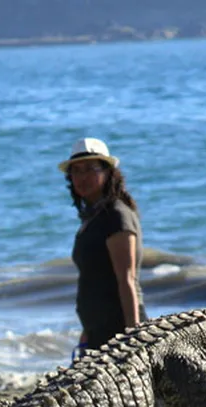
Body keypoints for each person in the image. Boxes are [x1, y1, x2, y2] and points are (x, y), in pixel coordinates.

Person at [60, 137, 148, 354]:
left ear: (108, 172)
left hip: (118, 329)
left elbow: (126, 279)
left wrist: (133, 336)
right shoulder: (93, 217)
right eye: (76, 171)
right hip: (97, 330)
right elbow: (94, 281)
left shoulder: (116, 216)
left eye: (91, 169)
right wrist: (87, 332)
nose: (82, 177)